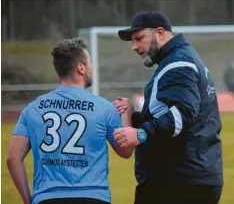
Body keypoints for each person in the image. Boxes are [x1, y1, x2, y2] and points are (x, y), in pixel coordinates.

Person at [113, 11, 223, 204]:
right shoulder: (182, 59)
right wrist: (134, 116)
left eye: (139, 38)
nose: (134, 47)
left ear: (161, 33)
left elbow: (183, 114)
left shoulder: (178, 64)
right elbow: (171, 114)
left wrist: (140, 134)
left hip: (177, 182)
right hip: (190, 177)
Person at [7, 37, 133, 204]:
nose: (92, 68)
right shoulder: (103, 108)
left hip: (47, 198)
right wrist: (127, 113)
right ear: (81, 68)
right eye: (89, 63)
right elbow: (126, 152)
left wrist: (27, 200)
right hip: (93, 198)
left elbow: (12, 159)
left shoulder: (33, 108)